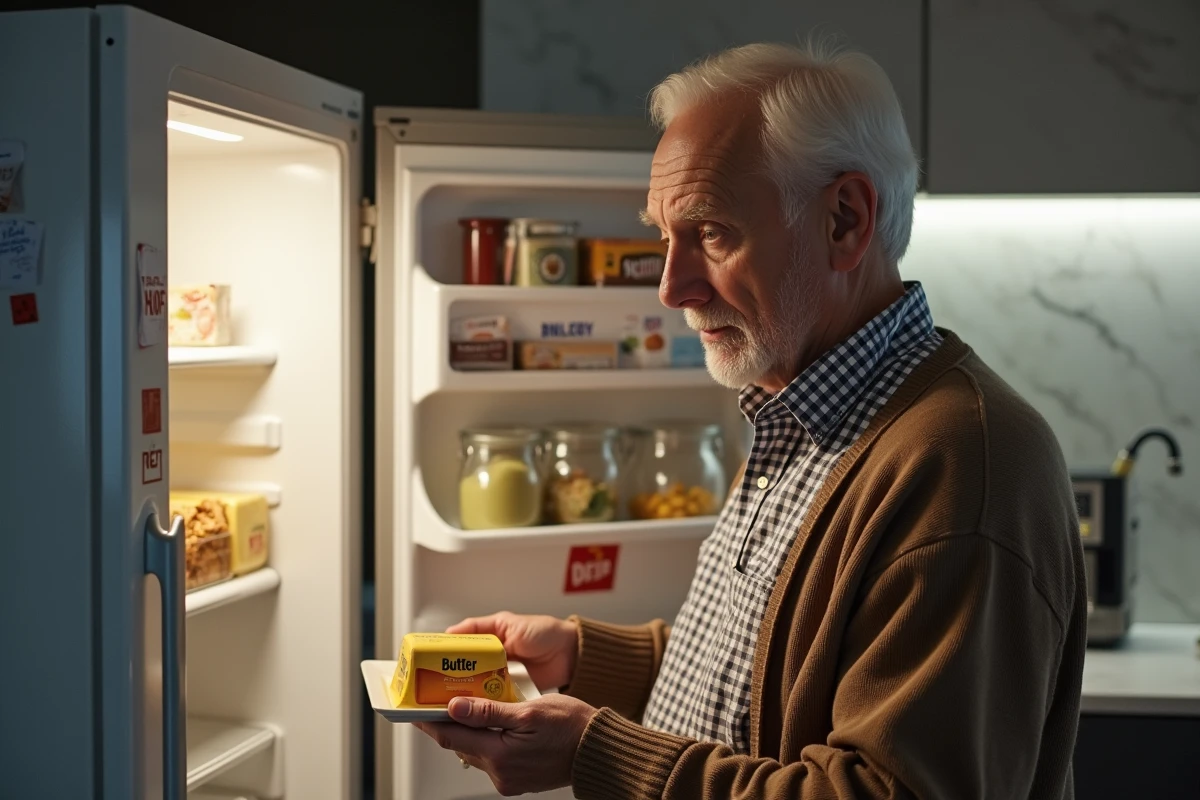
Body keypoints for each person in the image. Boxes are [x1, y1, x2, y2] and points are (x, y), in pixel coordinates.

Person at [416, 40, 1087, 799]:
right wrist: (582, 658)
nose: (671, 287)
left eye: (709, 233)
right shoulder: (799, 411)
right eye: (661, 237)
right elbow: (758, 673)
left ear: (845, 221)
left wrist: (593, 754)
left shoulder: (965, 465)